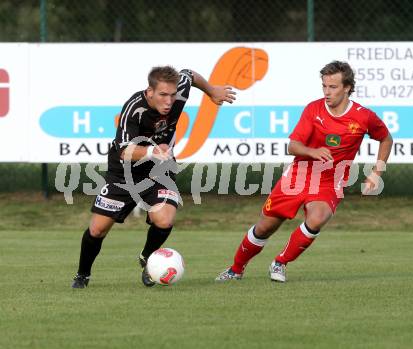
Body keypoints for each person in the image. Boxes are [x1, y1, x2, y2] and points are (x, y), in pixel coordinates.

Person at [216, 60, 393, 282]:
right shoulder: (314, 109)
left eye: (333, 87)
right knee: (264, 227)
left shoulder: (363, 116)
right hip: (299, 175)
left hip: (330, 180)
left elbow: (386, 138)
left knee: (317, 218)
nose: (327, 92)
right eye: (324, 86)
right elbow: (293, 146)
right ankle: (236, 269)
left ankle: (280, 263)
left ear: (347, 87)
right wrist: (312, 151)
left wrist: (377, 172)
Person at [72, 66, 236, 288]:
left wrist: (211, 91)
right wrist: (151, 151)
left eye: (172, 94)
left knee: (165, 219)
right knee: (97, 229)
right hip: (124, 171)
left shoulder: (179, 90)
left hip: (159, 169)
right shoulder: (134, 108)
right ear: (150, 92)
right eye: (163, 95)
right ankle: (83, 275)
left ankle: (148, 258)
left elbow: (189, 73)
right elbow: (124, 151)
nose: (169, 101)